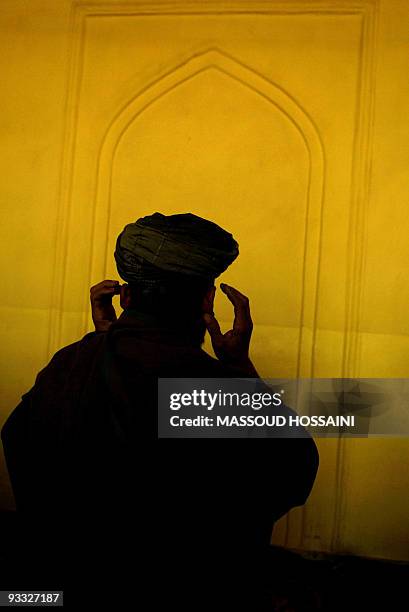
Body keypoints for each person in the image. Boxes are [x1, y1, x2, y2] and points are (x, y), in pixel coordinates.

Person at [1, 212, 318, 609]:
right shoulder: (209, 389)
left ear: (125, 297)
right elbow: (295, 469)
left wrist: (105, 343)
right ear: (207, 300)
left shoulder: (69, 364)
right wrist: (240, 369)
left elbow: (19, 440)